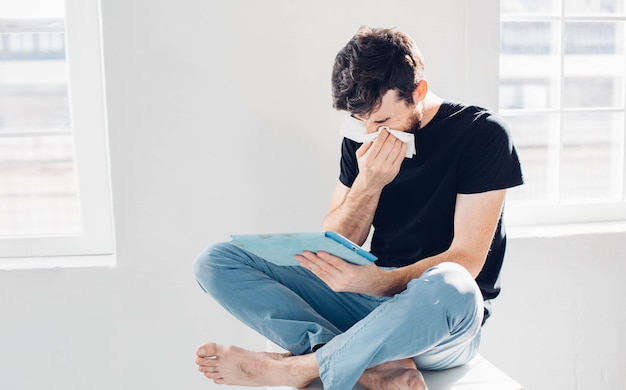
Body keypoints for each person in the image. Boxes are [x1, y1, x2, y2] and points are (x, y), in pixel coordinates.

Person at [193, 26, 523, 390]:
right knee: (216, 260)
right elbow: (337, 240)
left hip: (438, 320)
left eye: (382, 121)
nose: (373, 133)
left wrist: (380, 282)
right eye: (362, 122)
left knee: (454, 283)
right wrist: (369, 184)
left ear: (419, 92)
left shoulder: (483, 134)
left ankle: (301, 367)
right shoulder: (362, 136)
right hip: (366, 304)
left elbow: (467, 260)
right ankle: (359, 364)